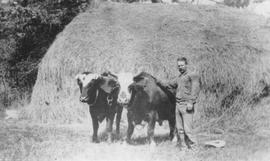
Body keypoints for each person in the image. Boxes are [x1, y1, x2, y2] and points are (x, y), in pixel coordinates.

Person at [158, 57, 200, 149]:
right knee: (180, 129)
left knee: (188, 129)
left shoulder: (192, 75)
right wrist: (159, 82)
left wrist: (191, 102)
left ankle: (194, 148)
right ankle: (184, 147)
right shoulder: (179, 77)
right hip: (178, 105)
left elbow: (195, 89)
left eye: (182, 65)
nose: (180, 67)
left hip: (186, 105)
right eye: (179, 66)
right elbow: (169, 84)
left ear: (186, 65)